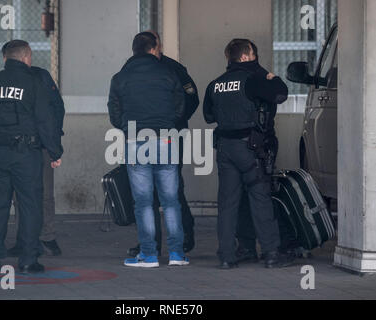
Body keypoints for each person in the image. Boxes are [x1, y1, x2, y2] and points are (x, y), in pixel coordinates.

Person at [0, 40, 63, 274]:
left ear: (5, 58)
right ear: (27, 57)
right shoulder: (34, 83)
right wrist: (54, 151)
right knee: (30, 205)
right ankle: (28, 260)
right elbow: (45, 120)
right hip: (27, 154)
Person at [203, 38, 290, 269]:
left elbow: (209, 117)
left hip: (224, 148)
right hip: (251, 149)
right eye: (253, 54)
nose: (255, 58)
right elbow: (281, 94)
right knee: (260, 198)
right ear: (245, 56)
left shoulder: (215, 84)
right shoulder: (253, 80)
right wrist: (271, 77)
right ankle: (271, 253)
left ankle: (227, 257)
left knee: (228, 203)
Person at [107, 32, 188, 267]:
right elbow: (180, 108)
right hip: (165, 139)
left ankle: (149, 255)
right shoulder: (169, 73)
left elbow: (114, 114)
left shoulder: (120, 78)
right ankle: (176, 254)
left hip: (135, 140)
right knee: (171, 200)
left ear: (134, 50)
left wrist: (128, 127)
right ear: (154, 49)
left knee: (143, 202)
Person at [126, 30, 199, 257]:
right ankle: (151, 243)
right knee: (146, 192)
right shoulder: (130, 68)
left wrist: (170, 123)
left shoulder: (173, 68)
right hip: (139, 136)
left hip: (169, 135)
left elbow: (191, 99)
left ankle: (185, 236)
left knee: (172, 189)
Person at [0, 42, 66, 257]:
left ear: (5, 59)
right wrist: (53, 145)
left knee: (23, 195)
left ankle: (35, 238)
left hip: (17, 147)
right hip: (40, 146)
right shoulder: (41, 77)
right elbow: (56, 111)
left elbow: (56, 110)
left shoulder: (0, 80)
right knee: (42, 193)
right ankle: (43, 238)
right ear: (28, 56)